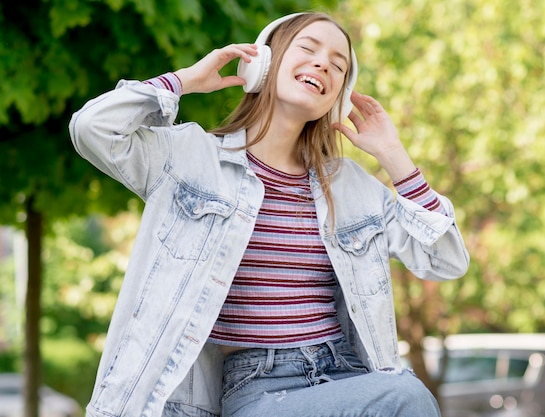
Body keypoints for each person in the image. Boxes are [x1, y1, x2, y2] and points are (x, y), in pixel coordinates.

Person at [69, 11, 469, 417]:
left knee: (402, 393)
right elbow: (93, 128)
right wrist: (185, 81)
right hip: (257, 386)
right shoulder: (190, 157)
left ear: (339, 98)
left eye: (337, 64)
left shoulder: (349, 185)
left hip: (345, 374)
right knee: (407, 395)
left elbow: (446, 260)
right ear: (263, 62)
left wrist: (392, 155)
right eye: (309, 49)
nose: (322, 64)